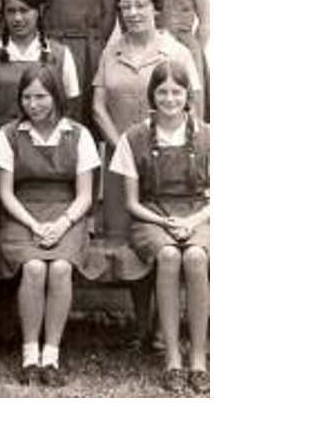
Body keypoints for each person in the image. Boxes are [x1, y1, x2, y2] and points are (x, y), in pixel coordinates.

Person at [0, 65, 102, 387]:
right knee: (35, 267)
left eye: (41, 96)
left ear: (56, 96)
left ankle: (51, 354)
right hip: (21, 215)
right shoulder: (9, 135)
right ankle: (29, 354)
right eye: (26, 97)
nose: (33, 104)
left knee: (61, 269)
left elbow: (84, 195)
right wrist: (33, 223)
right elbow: (5, 193)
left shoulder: (79, 135)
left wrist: (64, 222)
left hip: (67, 213)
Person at [109, 61, 209, 394]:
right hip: (151, 217)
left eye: (176, 92)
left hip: (199, 215)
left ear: (188, 95)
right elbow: (132, 203)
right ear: (152, 94)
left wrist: (193, 221)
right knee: (168, 256)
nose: (169, 99)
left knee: (195, 257)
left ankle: (198, 358)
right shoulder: (133, 137)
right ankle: (171, 359)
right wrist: (165, 222)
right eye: (162, 92)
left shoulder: (210, 136)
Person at [0, 0, 81, 133]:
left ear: (39, 11)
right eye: (11, 11)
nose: (17, 18)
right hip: (2, 145)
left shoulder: (60, 54)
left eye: (24, 10)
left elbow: (72, 104)